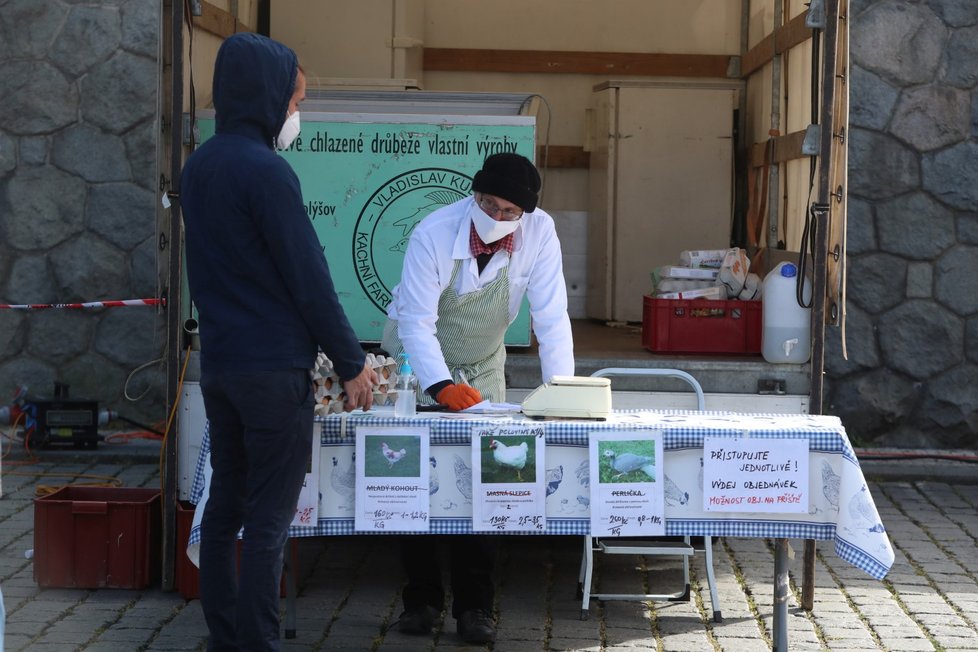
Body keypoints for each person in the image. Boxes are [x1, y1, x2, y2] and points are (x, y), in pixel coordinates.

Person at [180, 33, 377, 651]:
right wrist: (353, 363)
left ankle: (224, 637)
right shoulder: (267, 172)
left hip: (222, 365)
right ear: (268, 97)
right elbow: (308, 277)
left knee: (223, 511)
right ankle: (257, 643)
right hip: (272, 372)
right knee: (267, 518)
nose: (297, 112)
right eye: (296, 98)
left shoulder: (200, 165)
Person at [381, 152, 575, 643]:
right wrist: (440, 386)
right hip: (418, 361)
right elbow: (416, 322)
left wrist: (563, 393)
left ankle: (476, 610)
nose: (496, 218)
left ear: (525, 213)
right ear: (475, 195)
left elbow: (551, 317)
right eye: (488, 205)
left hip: (485, 365)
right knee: (416, 483)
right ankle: (421, 603)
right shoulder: (434, 232)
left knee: (487, 485)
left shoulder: (541, 233)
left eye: (509, 212)